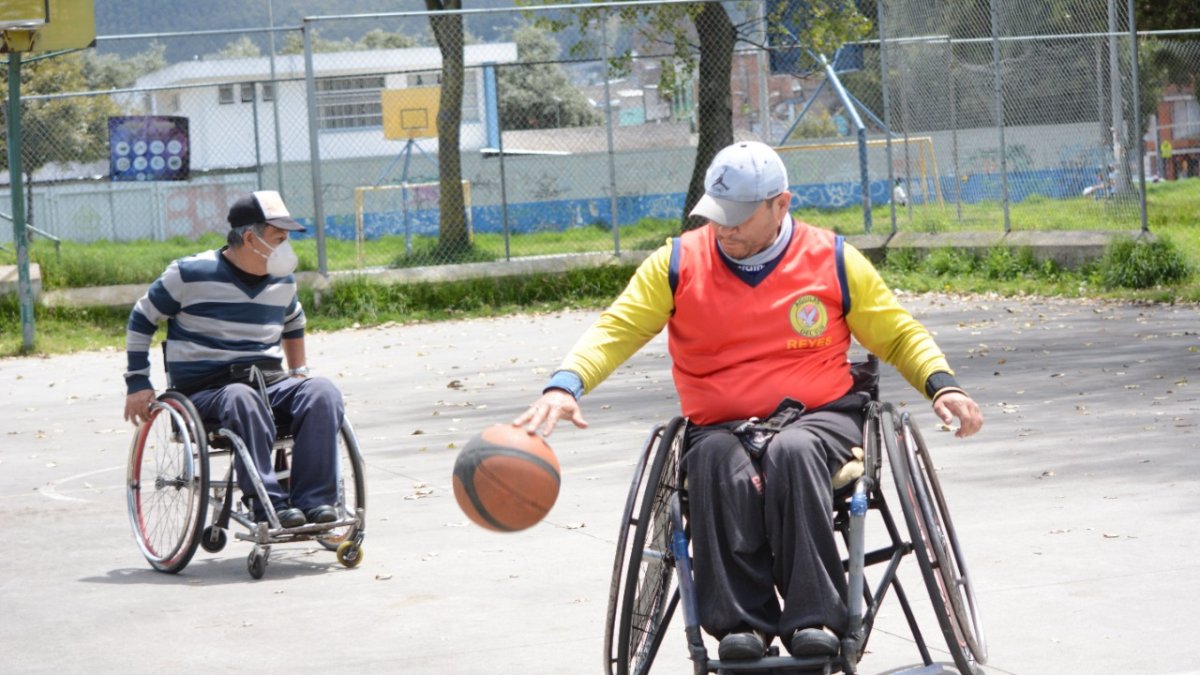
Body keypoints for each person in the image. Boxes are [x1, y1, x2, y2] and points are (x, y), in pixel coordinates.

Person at [516, 141, 982, 661]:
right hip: (719, 425)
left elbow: (896, 334)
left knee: (793, 453)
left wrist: (943, 384)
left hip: (818, 419)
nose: (724, 229)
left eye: (738, 218)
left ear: (781, 204)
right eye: (716, 216)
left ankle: (815, 622)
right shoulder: (677, 262)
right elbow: (615, 329)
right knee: (713, 461)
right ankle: (741, 626)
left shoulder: (831, 259)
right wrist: (565, 384)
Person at [122, 190, 343, 529]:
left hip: (269, 382)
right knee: (242, 397)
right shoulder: (189, 274)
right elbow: (142, 317)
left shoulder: (282, 281)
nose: (286, 248)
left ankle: (314, 502)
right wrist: (137, 382)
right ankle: (268, 503)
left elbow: (294, 322)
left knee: (322, 392)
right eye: (279, 239)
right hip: (207, 389)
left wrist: (298, 372)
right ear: (251, 239)